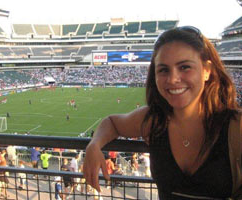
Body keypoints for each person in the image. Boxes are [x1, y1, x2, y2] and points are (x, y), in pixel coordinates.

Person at [83, 26, 240, 199]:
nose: (173, 79)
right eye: (164, 70)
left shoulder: (236, 127)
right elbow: (112, 123)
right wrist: (94, 144)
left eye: (185, 67)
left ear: (206, 71)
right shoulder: (154, 120)